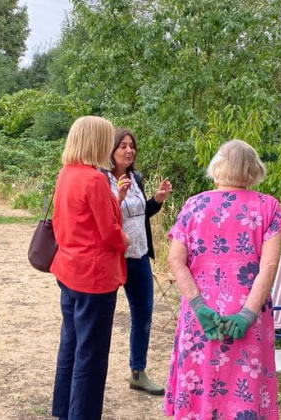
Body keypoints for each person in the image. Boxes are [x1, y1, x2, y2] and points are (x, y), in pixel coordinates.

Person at [164, 139, 281, 419]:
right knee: (244, 390)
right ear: (254, 169)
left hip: (201, 318)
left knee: (199, 386)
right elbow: (269, 266)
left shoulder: (194, 205)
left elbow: (175, 260)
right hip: (249, 318)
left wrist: (199, 306)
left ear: (217, 167)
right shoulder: (268, 207)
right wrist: (246, 314)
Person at [50, 116, 130, 420]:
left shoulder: (66, 173)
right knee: (91, 356)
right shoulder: (94, 179)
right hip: (94, 277)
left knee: (71, 345)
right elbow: (109, 234)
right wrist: (124, 239)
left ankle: (64, 410)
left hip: (69, 269)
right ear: (97, 142)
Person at [101, 129, 172, 395]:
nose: (129, 151)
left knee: (143, 315)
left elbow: (140, 215)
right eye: (122, 146)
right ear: (111, 150)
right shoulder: (101, 180)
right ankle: (95, 373)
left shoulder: (136, 178)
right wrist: (117, 198)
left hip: (139, 256)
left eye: (132, 146)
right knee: (102, 317)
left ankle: (138, 372)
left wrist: (157, 200)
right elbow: (104, 218)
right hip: (114, 258)